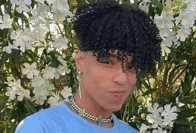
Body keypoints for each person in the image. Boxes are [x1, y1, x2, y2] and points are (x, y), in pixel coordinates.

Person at [15, 0, 162, 132]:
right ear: (80, 61)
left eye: (132, 66)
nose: (122, 78)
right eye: (107, 62)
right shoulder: (39, 128)